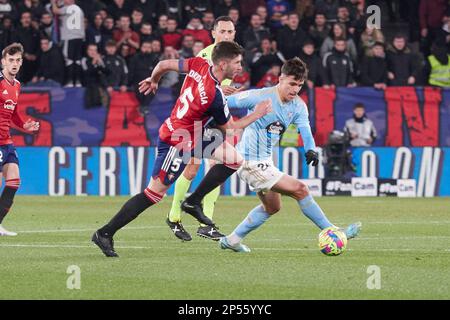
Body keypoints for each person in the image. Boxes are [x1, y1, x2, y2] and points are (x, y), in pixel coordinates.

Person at [92, 41, 272, 257]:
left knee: (234, 159)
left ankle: (193, 201)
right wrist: (258, 113)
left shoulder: (199, 64)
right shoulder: (213, 95)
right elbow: (232, 128)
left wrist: (153, 80)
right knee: (154, 194)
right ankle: (104, 233)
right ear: (223, 64)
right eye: (237, 63)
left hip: (193, 134)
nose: (240, 67)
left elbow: (163, 64)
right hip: (177, 141)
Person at [182, 58, 361, 252]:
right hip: (248, 161)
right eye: (292, 84)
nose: (295, 90)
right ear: (281, 78)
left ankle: (231, 240)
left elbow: (306, 130)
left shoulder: (298, 106)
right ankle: (333, 231)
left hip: (265, 162)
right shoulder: (259, 96)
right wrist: (214, 104)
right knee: (300, 189)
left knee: (272, 207)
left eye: (299, 85)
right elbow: (222, 102)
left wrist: (311, 148)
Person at [166, 16, 239, 241]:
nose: (227, 35)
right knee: (192, 169)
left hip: (215, 120)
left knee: (216, 166)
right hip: (198, 120)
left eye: (230, 32)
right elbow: (194, 88)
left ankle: (205, 221)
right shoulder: (204, 56)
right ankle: (174, 216)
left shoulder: (232, 57)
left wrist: (230, 95)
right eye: (223, 31)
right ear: (213, 33)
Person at [0, 43, 40, 236]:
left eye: (17, 60)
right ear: (3, 62)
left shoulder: (16, 86)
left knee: (14, 181)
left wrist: (25, 125)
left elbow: (13, 113)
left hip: (6, 140)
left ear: (21, 62)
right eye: (10, 60)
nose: (14, 64)